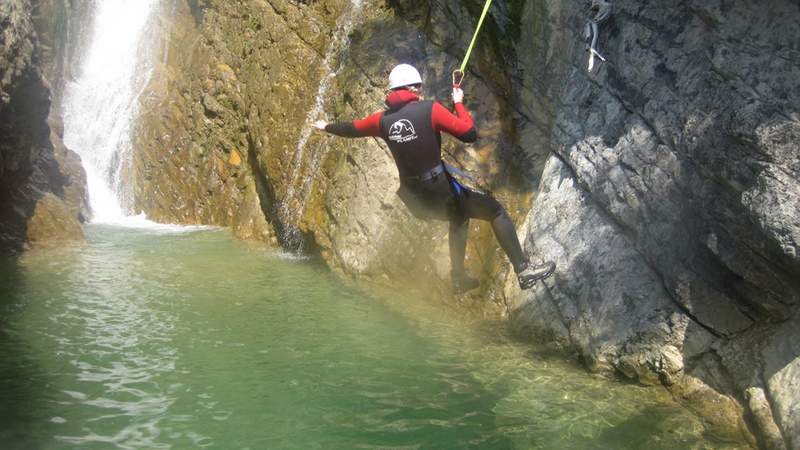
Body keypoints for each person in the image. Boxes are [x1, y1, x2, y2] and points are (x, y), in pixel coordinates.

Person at [312, 63, 555, 293]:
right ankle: (523, 270)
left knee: (459, 216)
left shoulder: (381, 120)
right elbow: (469, 133)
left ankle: (458, 278)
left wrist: (325, 126)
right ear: (410, 88)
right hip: (440, 189)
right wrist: (459, 103)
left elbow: (351, 129)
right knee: (495, 212)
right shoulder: (430, 109)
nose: (420, 91)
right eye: (417, 86)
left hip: (416, 199)